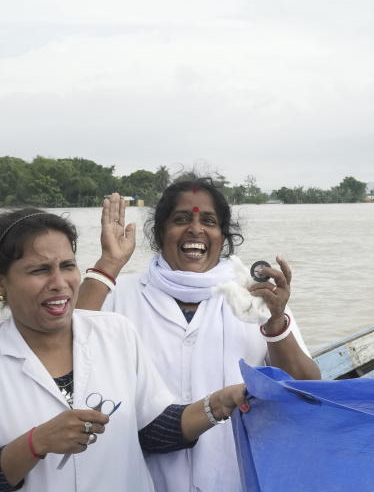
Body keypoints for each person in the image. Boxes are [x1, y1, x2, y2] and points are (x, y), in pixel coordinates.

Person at [77, 180, 321, 492]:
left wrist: (275, 322)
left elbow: (308, 389)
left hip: (236, 479)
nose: (195, 229)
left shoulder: (257, 299)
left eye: (208, 221)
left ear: (223, 236)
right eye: (181, 220)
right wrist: (107, 264)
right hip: (140, 479)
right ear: (161, 232)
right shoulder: (119, 293)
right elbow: (70, 348)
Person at [0, 208, 249, 492]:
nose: (59, 283)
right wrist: (35, 443)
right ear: (2, 281)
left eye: (68, 266)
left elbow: (153, 429)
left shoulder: (115, 332)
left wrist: (220, 403)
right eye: (39, 270)